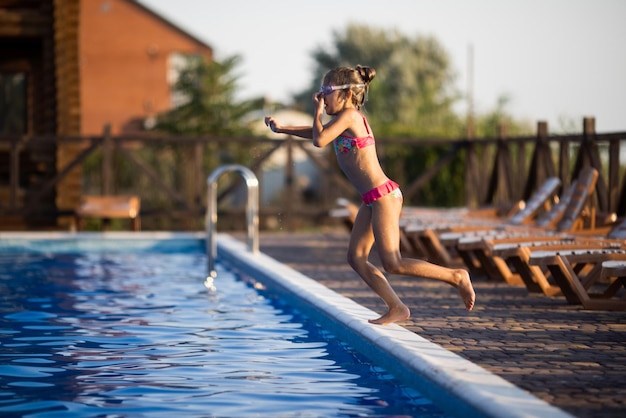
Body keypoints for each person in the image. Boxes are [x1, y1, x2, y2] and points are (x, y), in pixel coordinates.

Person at [265, 65, 475, 325]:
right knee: (356, 257)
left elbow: (320, 140)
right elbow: (317, 133)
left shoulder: (351, 116)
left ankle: (456, 276)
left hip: (384, 196)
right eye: (321, 91)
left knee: (393, 262)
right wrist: (284, 129)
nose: (321, 96)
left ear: (347, 94)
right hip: (371, 200)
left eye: (327, 91)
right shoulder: (342, 121)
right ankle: (397, 307)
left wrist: (317, 110)